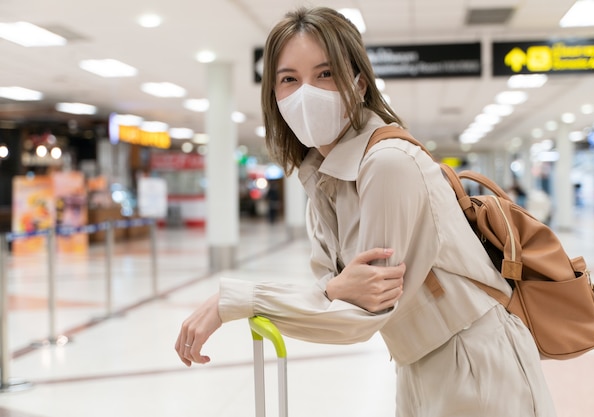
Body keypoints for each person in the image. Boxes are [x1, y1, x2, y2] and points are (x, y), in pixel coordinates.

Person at [176, 7, 556, 416]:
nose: (307, 93)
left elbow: (359, 314)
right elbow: (337, 289)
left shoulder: (387, 163)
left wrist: (237, 300)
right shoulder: (322, 178)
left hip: (474, 362)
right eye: (289, 79)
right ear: (274, 95)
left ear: (358, 84)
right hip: (420, 361)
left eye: (325, 74)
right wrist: (338, 290)